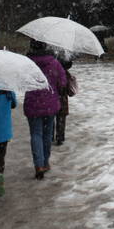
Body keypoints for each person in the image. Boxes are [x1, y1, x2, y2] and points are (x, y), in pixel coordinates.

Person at [24, 39, 68, 179]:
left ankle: (38, 165)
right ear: (45, 46)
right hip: (50, 104)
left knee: (36, 134)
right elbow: (62, 83)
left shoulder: (26, 63)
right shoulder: (54, 63)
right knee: (48, 134)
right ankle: (46, 162)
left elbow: (20, 80)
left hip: (32, 103)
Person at [54, 55, 77, 146]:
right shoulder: (67, 75)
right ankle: (60, 138)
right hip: (62, 101)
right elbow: (71, 93)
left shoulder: (53, 72)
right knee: (61, 119)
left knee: (51, 119)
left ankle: (50, 136)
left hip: (52, 99)